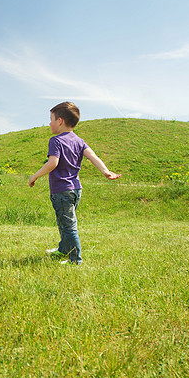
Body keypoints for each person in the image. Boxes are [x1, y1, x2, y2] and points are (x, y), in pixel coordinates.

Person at [28, 102, 120, 263]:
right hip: (76, 190)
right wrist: (106, 171)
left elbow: (52, 163)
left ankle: (75, 260)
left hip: (61, 190)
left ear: (60, 121)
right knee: (64, 222)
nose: (49, 123)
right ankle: (64, 249)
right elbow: (92, 156)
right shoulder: (79, 141)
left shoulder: (56, 141)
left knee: (68, 226)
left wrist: (34, 176)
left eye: (51, 119)